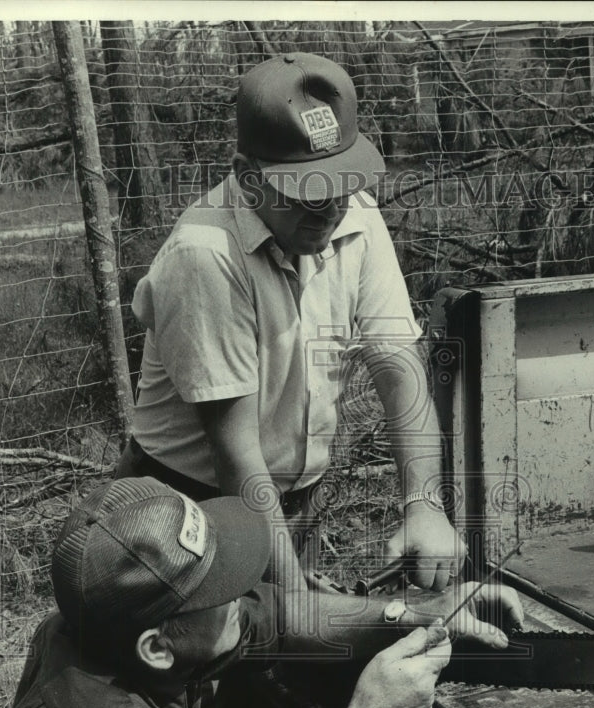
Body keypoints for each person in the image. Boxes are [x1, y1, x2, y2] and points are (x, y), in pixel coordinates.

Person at [115, 51, 464, 593]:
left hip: (293, 500)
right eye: (307, 192)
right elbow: (238, 457)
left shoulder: (359, 217)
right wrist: (296, 604)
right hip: (182, 508)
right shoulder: (205, 254)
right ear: (247, 179)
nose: (329, 209)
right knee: (219, 660)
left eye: (341, 185)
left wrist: (424, 506)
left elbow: (399, 371)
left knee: (291, 663)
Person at [0, 477, 523, 708]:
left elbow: (285, 616)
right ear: (157, 647)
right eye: (223, 590)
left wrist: (416, 612)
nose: (244, 590)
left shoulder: (100, 621)